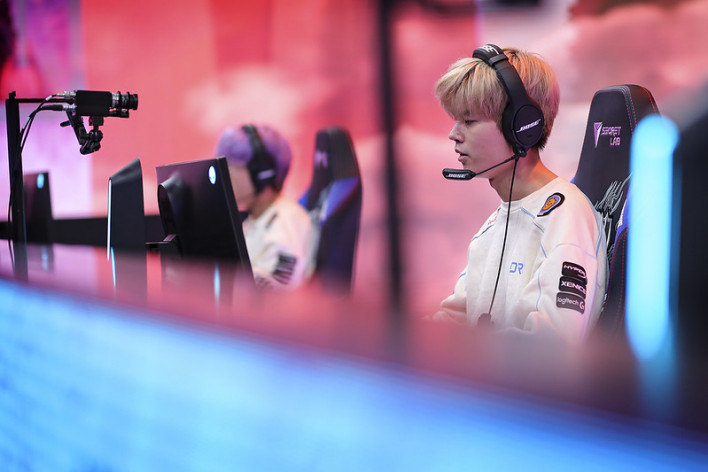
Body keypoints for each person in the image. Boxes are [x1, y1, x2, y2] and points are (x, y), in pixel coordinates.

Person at [432, 44, 608, 343]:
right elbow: (454, 319)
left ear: (521, 127)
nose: (454, 135)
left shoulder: (566, 217)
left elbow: (552, 346)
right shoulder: (493, 227)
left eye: (469, 121)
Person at [215, 123, 313, 289]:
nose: (224, 175)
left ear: (262, 174)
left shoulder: (287, 223)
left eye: (231, 168)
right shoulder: (256, 219)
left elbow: (277, 295)